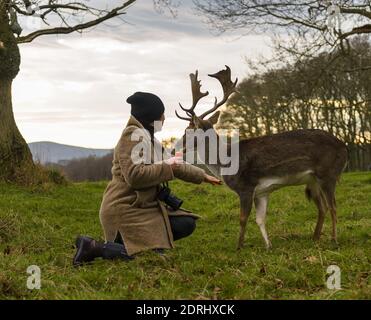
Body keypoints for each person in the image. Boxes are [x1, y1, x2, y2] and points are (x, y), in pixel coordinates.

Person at [73, 92, 221, 266]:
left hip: (143, 208)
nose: (164, 118)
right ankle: (94, 247)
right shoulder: (132, 136)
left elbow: (174, 163)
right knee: (144, 259)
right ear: (152, 117)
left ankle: (143, 246)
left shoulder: (149, 138)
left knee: (186, 223)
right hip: (126, 210)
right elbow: (135, 176)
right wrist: (168, 168)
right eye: (161, 114)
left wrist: (202, 176)